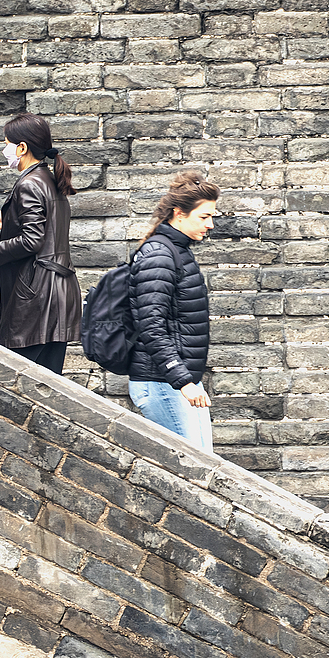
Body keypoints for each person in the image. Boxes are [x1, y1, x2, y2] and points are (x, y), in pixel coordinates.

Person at [0, 113, 80, 374]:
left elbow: (33, 240)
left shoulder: (29, 183)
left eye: (7, 143)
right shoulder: (50, 180)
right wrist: (6, 225)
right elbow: (47, 233)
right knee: (47, 385)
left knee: (9, 378)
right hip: (58, 293)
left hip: (37, 298)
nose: (5, 150)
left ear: (22, 147)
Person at [127, 169, 219, 452]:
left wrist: (187, 381)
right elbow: (150, 325)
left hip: (179, 382)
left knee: (207, 467)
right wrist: (183, 382)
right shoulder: (160, 254)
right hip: (164, 384)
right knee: (195, 472)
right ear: (179, 213)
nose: (211, 224)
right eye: (204, 217)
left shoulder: (177, 251)